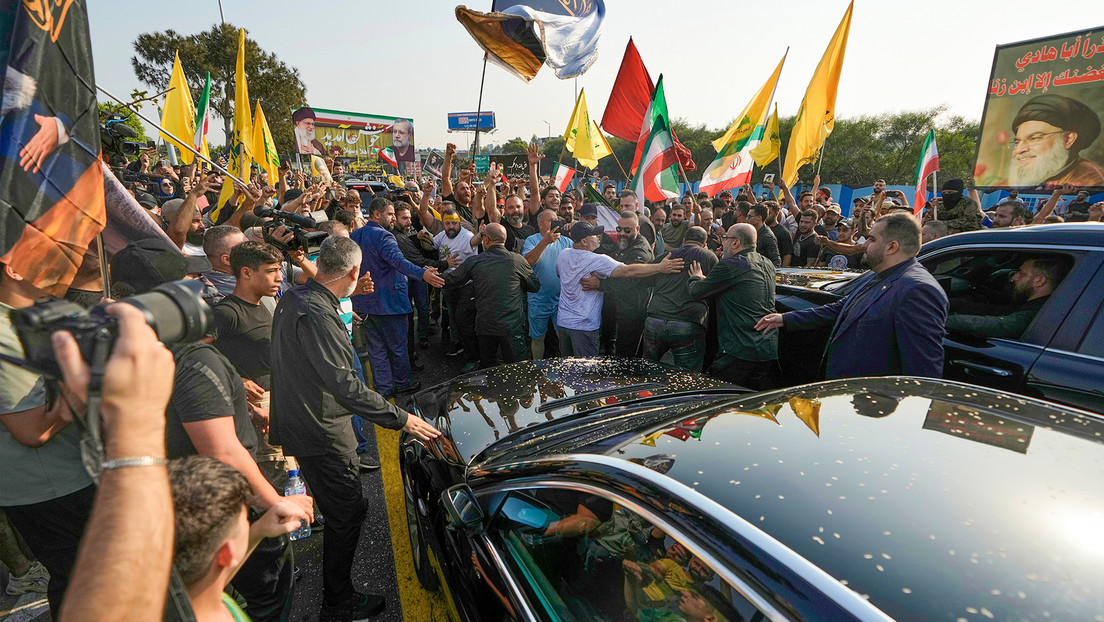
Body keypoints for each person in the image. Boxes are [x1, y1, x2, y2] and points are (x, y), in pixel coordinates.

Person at [270, 235, 441, 621]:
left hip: (304, 423)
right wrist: (403, 419)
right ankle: (338, 604)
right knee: (349, 513)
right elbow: (345, 385)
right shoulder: (316, 312)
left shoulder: (297, 298)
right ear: (352, 272)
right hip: (322, 431)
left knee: (341, 510)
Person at [0, 262, 97, 616]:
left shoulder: (30, 313)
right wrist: (79, 391)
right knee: (82, 582)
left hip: (68, 475)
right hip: (49, 488)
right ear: (13, 267)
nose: (66, 260)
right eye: (51, 251)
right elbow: (32, 431)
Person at [756, 212, 948, 379]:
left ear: (892, 247)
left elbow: (922, 372)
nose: (864, 245)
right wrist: (785, 318)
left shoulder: (918, 291)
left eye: (872, 239)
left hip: (875, 409)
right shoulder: (878, 273)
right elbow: (842, 307)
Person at [168, 456, 312, 622]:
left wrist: (258, 530)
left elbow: (215, 577)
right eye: (246, 520)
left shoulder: (190, 595)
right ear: (227, 553)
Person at [350, 197, 445, 398]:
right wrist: (423, 274)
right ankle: (402, 383)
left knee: (376, 350)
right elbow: (398, 262)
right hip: (389, 303)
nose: (393, 218)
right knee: (398, 348)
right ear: (377, 214)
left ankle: (383, 388)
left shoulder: (355, 235)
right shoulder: (384, 237)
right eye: (391, 214)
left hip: (365, 302)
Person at [555, 222, 683, 356]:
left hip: (563, 323)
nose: (598, 237)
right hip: (584, 326)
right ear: (584, 241)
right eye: (594, 235)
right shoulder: (595, 260)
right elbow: (628, 271)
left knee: (566, 369)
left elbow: (559, 274)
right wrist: (660, 267)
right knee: (585, 372)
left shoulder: (563, 254)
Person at [688, 224, 779, 389]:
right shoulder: (767, 264)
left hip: (740, 348)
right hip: (767, 348)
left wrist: (696, 278)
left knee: (718, 400)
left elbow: (697, 292)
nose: (723, 244)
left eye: (725, 239)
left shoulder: (732, 264)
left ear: (736, 242)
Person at [443, 223, 540, 368]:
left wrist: (428, 273)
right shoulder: (517, 260)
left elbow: (450, 281)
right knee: (518, 370)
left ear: (486, 239)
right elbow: (534, 286)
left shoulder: (475, 261)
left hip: (485, 326)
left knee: (488, 368)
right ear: (504, 240)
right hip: (511, 326)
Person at [644, 227, 718, 371]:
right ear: (704, 244)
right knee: (687, 377)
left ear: (684, 241)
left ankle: (648, 393)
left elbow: (644, 280)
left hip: (655, 319)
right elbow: (716, 287)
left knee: (649, 371)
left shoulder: (666, 256)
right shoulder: (709, 256)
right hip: (687, 322)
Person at [946, 257, 1066, 339]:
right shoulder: (1040, 305)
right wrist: (947, 303)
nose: (1014, 277)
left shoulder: (1035, 314)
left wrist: (939, 320)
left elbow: (1001, 325)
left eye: (1021, 273)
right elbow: (996, 311)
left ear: (1039, 280)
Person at [1007, 94, 1104, 187]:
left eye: (1034, 138)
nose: (1019, 150)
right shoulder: (1006, 184)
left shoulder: (1094, 181)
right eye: (1017, 142)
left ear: (1067, 140)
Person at [523, 209, 574, 359]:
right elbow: (527, 262)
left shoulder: (567, 242)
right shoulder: (532, 240)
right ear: (540, 224)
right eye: (550, 220)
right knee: (538, 338)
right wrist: (545, 241)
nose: (555, 222)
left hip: (562, 301)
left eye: (556, 219)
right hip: (538, 301)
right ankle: (537, 370)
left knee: (563, 338)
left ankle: (566, 368)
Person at [604, 212, 656, 357]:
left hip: (634, 311)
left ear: (637, 229)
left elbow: (628, 280)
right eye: (619, 229)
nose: (622, 233)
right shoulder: (625, 244)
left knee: (627, 356)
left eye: (627, 230)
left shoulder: (640, 250)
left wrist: (599, 284)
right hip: (621, 308)